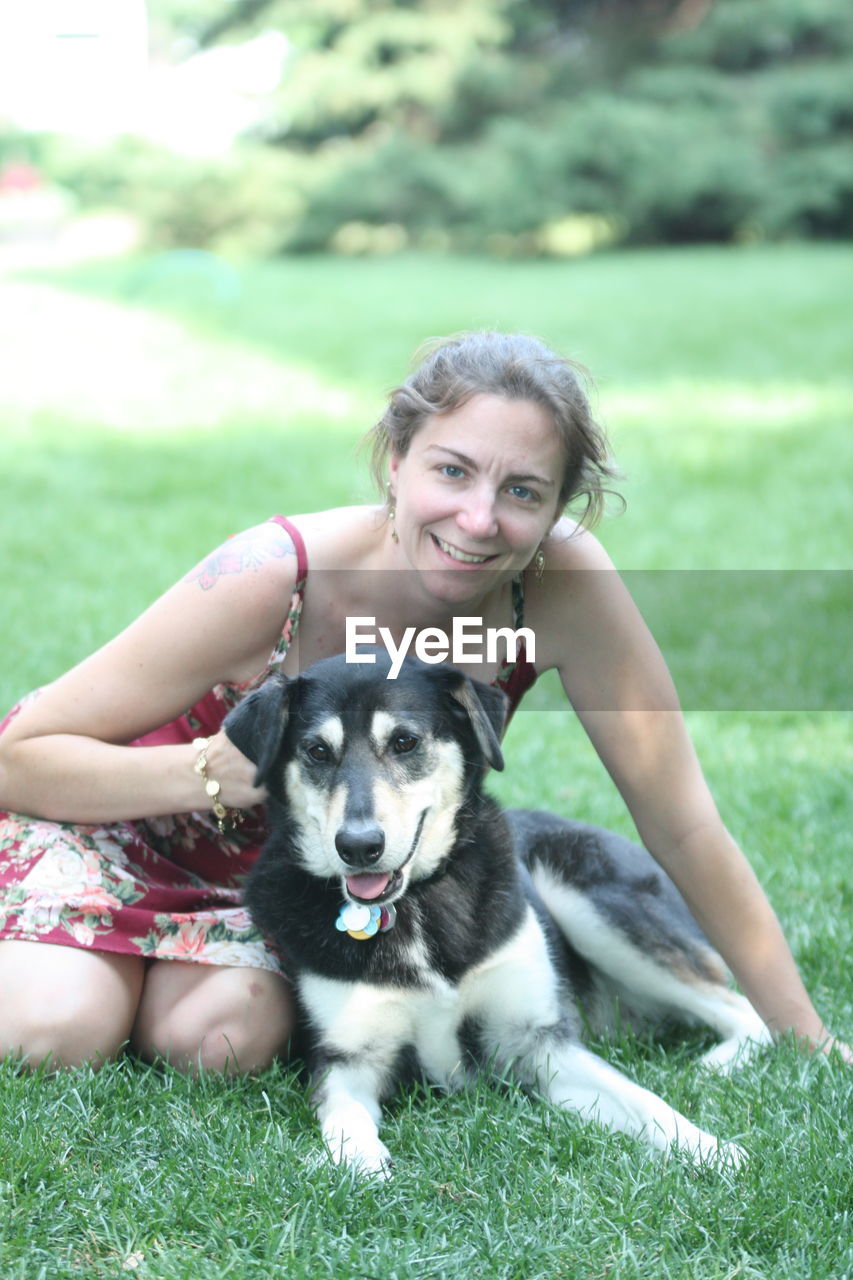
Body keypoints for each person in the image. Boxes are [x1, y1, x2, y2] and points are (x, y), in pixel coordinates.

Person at [0, 331, 847, 1074]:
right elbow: (18, 756)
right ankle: (77, 966)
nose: (478, 518)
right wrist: (211, 775)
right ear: (395, 462)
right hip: (115, 824)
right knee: (57, 1029)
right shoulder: (273, 573)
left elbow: (682, 822)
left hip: (297, 882)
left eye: (523, 491)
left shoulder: (564, 590)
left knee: (219, 1044)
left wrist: (799, 1029)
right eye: (452, 470)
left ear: (559, 508)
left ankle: (143, 979)